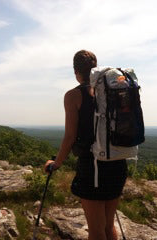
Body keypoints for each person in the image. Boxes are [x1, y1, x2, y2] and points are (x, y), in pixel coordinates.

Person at [44, 50, 127, 240]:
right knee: (108, 225)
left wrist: (56, 163)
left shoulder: (73, 95)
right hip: (117, 162)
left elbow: (70, 136)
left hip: (93, 168)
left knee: (96, 230)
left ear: (76, 71)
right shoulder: (110, 91)